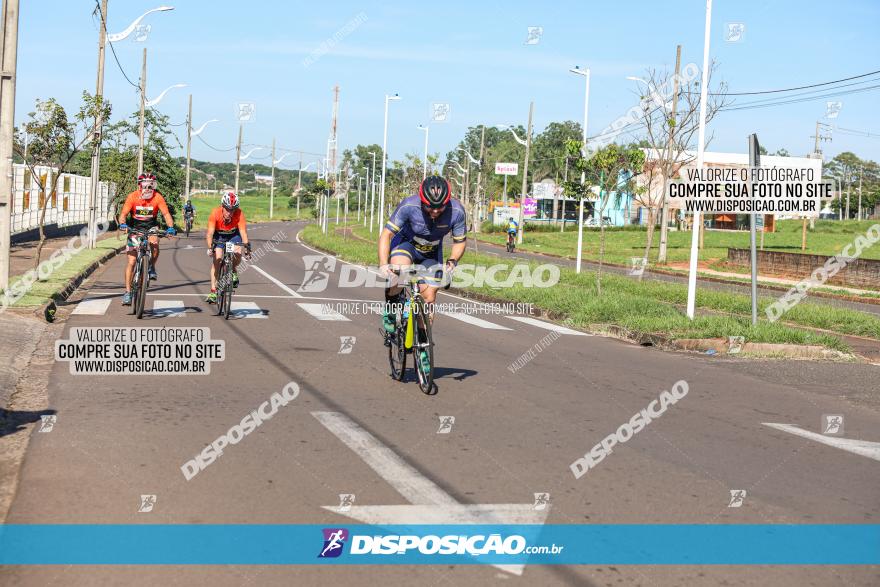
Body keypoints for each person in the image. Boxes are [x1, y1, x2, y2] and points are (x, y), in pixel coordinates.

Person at [377, 176, 466, 372]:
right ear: (421, 200)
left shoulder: (457, 211)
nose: (434, 211)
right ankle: (391, 310)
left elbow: (460, 241)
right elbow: (387, 234)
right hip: (405, 244)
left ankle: (423, 346)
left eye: (440, 207)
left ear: (447, 202)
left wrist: (453, 261)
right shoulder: (409, 205)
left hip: (432, 252)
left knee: (429, 296)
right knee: (399, 274)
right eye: (429, 207)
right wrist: (384, 264)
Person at [117, 173, 175, 306]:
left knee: (154, 242)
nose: (148, 188)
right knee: (131, 261)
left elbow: (166, 214)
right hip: (135, 228)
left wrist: (170, 227)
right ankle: (127, 292)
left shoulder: (157, 197)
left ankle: (151, 266)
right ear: (139, 185)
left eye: (151, 185)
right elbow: (123, 214)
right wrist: (122, 224)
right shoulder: (132, 197)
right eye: (145, 185)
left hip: (151, 227)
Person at [205, 191, 251, 303]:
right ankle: (213, 291)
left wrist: (247, 247)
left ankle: (233, 271)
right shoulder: (215, 213)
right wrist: (210, 247)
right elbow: (210, 233)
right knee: (218, 258)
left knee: (238, 252)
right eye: (227, 209)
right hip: (219, 236)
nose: (230, 212)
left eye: (233, 209)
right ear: (222, 206)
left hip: (233, 235)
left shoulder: (239, 214)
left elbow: (243, 232)